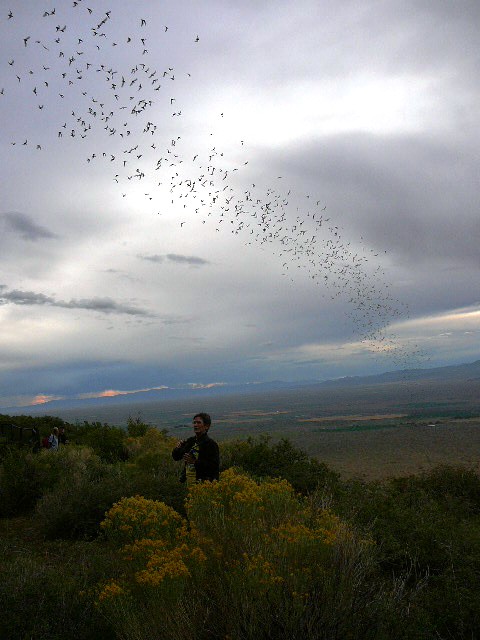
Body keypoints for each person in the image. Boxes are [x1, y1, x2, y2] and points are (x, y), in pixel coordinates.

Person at [172, 413, 219, 486]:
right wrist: (177, 448)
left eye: (199, 423)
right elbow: (176, 457)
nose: (195, 425)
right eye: (194, 423)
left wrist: (194, 462)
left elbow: (214, 466)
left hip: (204, 485)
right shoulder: (191, 441)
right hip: (189, 483)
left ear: (206, 426)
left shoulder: (211, 444)